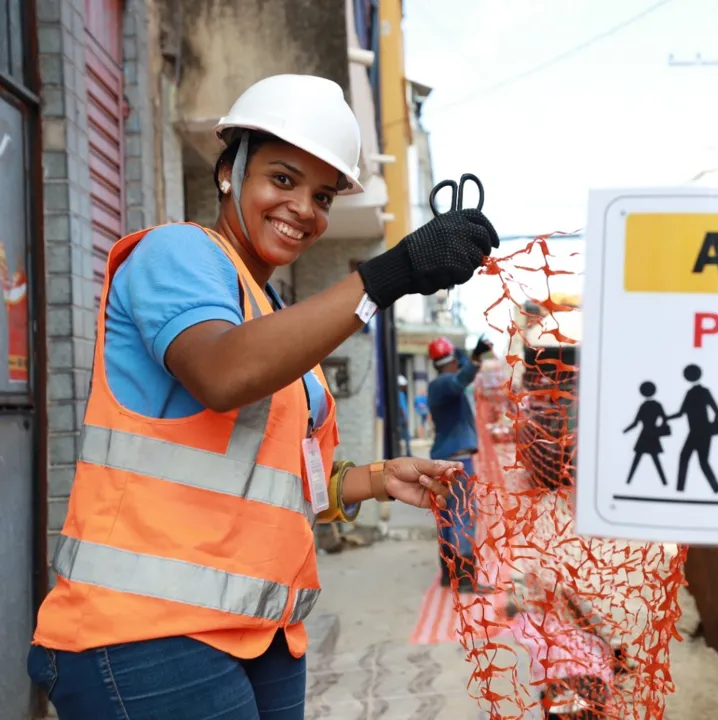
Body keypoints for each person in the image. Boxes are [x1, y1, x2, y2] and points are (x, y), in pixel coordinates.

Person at [25, 74, 500, 718]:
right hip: (144, 633)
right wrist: (391, 274)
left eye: (323, 195)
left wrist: (379, 479)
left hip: (261, 634)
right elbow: (222, 375)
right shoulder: (177, 253)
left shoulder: (269, 310)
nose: (305, 208)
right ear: (230, 171)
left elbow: (280, 482)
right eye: (283, 180)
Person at [427, 335, 493, 591]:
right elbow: (460, 380)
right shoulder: (444, 384)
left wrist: (466, 355)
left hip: (443, 461)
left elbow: (461, 372)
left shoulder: (437, 384)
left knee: (446, 517)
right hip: (458, 463)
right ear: (452, 361)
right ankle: (465, 579)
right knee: (463, 517)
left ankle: (448, 574)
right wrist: (474, 358)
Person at [667, 363, 718, 494]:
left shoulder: (695, 393)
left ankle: (715, 489)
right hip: (699, 432)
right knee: (693, 459)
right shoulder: (697, 392)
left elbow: (681, 413)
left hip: (699, 432)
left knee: (695, 460)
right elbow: (717, 412)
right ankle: (682, 489)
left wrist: (666, 418)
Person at [623, 381, 669, 486]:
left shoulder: (644, 406)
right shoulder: (656, 405)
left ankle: (629, 481)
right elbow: (665, 419)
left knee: (639, 459)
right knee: (653, 460)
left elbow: (635, 423)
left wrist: (626, 430)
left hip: (645, 435)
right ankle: (664, 482)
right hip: (651, 435)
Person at [398, 374, 412, 456]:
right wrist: (405, 418)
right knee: (405, 436)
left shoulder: (401, 393)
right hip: (402, 418)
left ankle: (407, 452)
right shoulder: (399, 394)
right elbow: (401, 408)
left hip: (402, 417)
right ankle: (407, 453)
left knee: (405, 436)